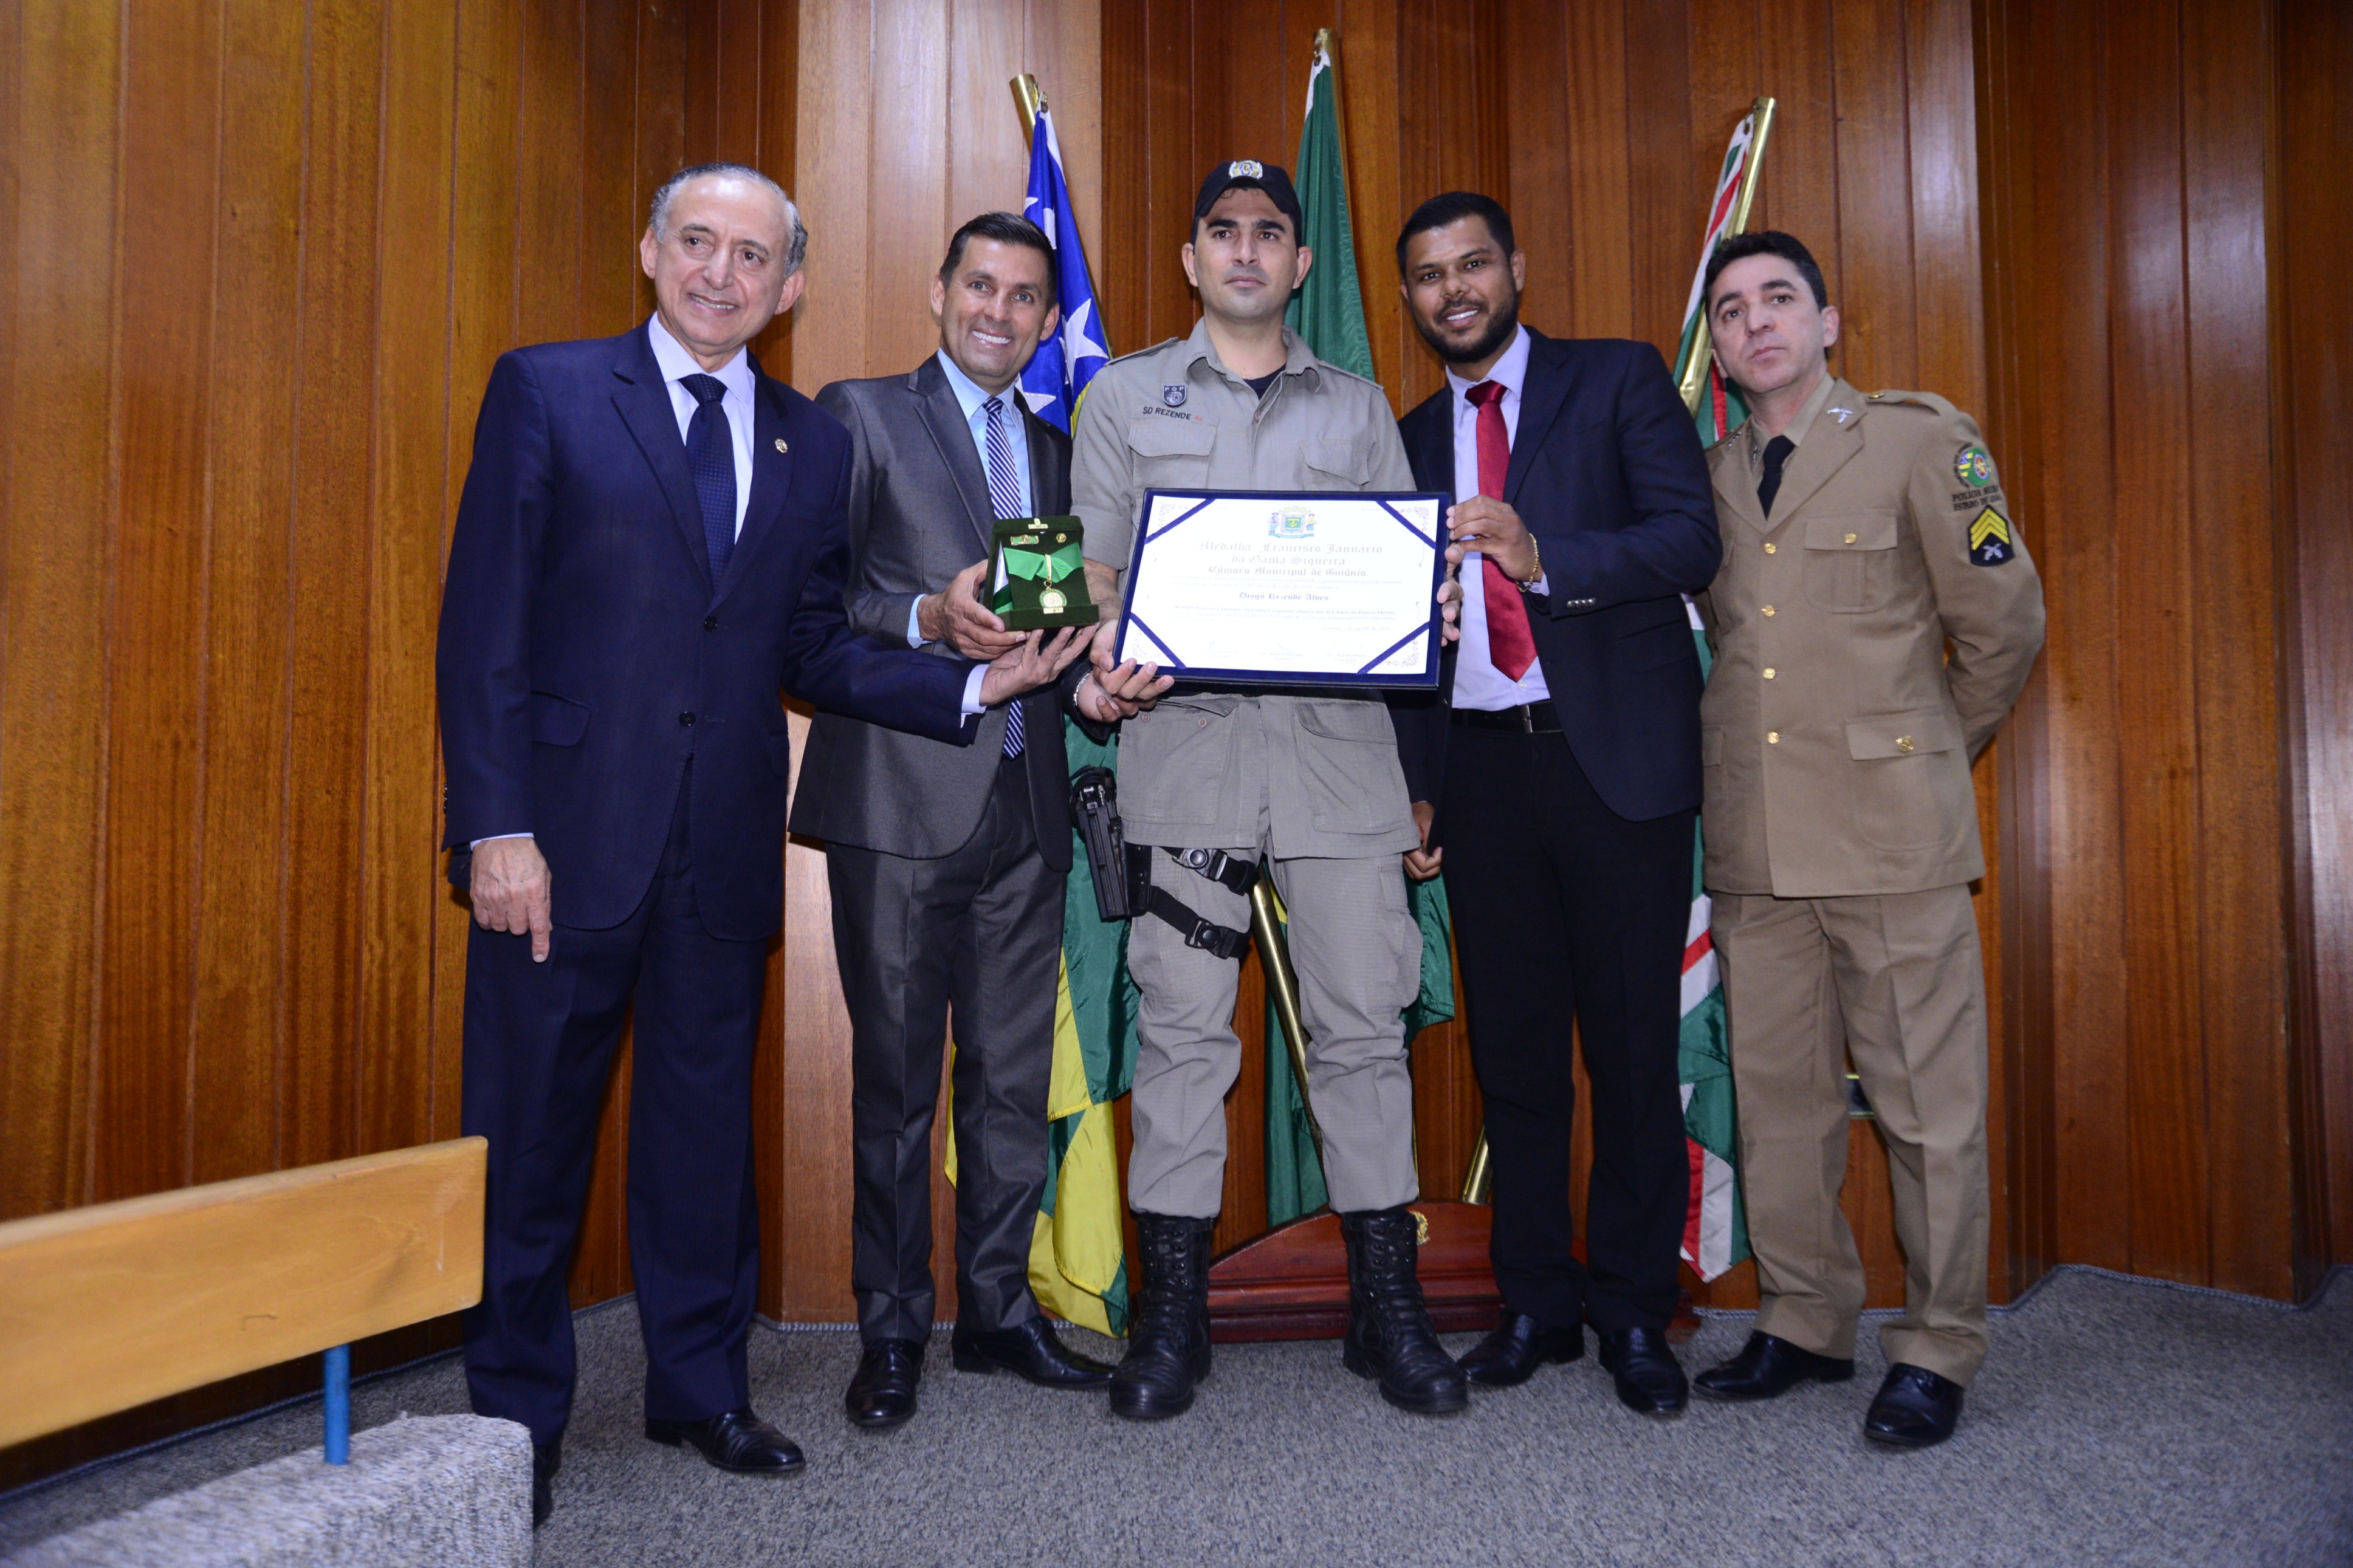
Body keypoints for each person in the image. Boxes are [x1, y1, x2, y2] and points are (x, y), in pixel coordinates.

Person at [436, 163, 1080, 1527]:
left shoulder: (805, 441)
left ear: (789, 287)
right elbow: (483, 624)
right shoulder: (549, 389)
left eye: (751, 257)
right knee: (532, 1140)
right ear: (649, 250)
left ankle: (698, 1388)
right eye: (697, 243)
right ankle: (514, 1420)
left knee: (700, 1138)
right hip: (560, 844)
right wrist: (496, 826)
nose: (719, 274)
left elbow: (809, 647)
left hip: (720, 843)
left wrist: (976, 683)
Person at [1070, 160, 1466, 1421]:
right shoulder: (1122, 396)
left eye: (1270, 233)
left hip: (1338, 763)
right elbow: (1096, 572)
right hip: (1185, 758)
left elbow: (1400, 581)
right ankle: (1173, 1315)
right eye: (1223, 231)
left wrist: (1428, 611)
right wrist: (1107, 648)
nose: (1246, 249)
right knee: (1184, 1032)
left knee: (1362, 1029)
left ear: (1299, 263)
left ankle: (1386, 1308)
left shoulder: (1358, 408)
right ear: (1192, 258)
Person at [789, 211, 1170, 1429]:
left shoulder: (1060, 452)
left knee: (1010, 1083)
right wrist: (925, 620)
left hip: (1029, 804)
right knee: (899, 1088)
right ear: (939, 291)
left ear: (1048, 321)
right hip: (899, 801)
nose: (998, 312)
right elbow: (812, 606)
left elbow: (1048, 633)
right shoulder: (858, 416)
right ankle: (894, 1329)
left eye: (1023, 296)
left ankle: (999, 1315)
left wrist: (1089, 686)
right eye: (980, 286)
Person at [1688, 231, 2044, 1448]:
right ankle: (1804, 1320)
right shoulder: (1709, 474)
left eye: (1778, 299)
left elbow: (2002, 622)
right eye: (1731, 310)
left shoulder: (1915, 439)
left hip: (1891, 838)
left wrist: (1923, 753)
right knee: (1778, 1101)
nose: (1756, 323)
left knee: (1925, 1106)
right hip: (1757, 840)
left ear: (1828, 322)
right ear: (1718, 348)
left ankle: (1939, 1343)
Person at [1386, 191, 1722, 1416]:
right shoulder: (1407, 436)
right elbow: (1394, 637)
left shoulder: (1618, 379)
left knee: (1631, 1053)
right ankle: (1534, 1301)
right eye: (1431, 275)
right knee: (1516, 1057)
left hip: (1612, 764)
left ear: (1514, 268)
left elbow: (1690, 541)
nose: (1455, 289)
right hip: (1478, 774)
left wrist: (1544, 560)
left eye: (1473, 263)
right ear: (1410, 297)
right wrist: (1418, 783)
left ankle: (1633, 1308)